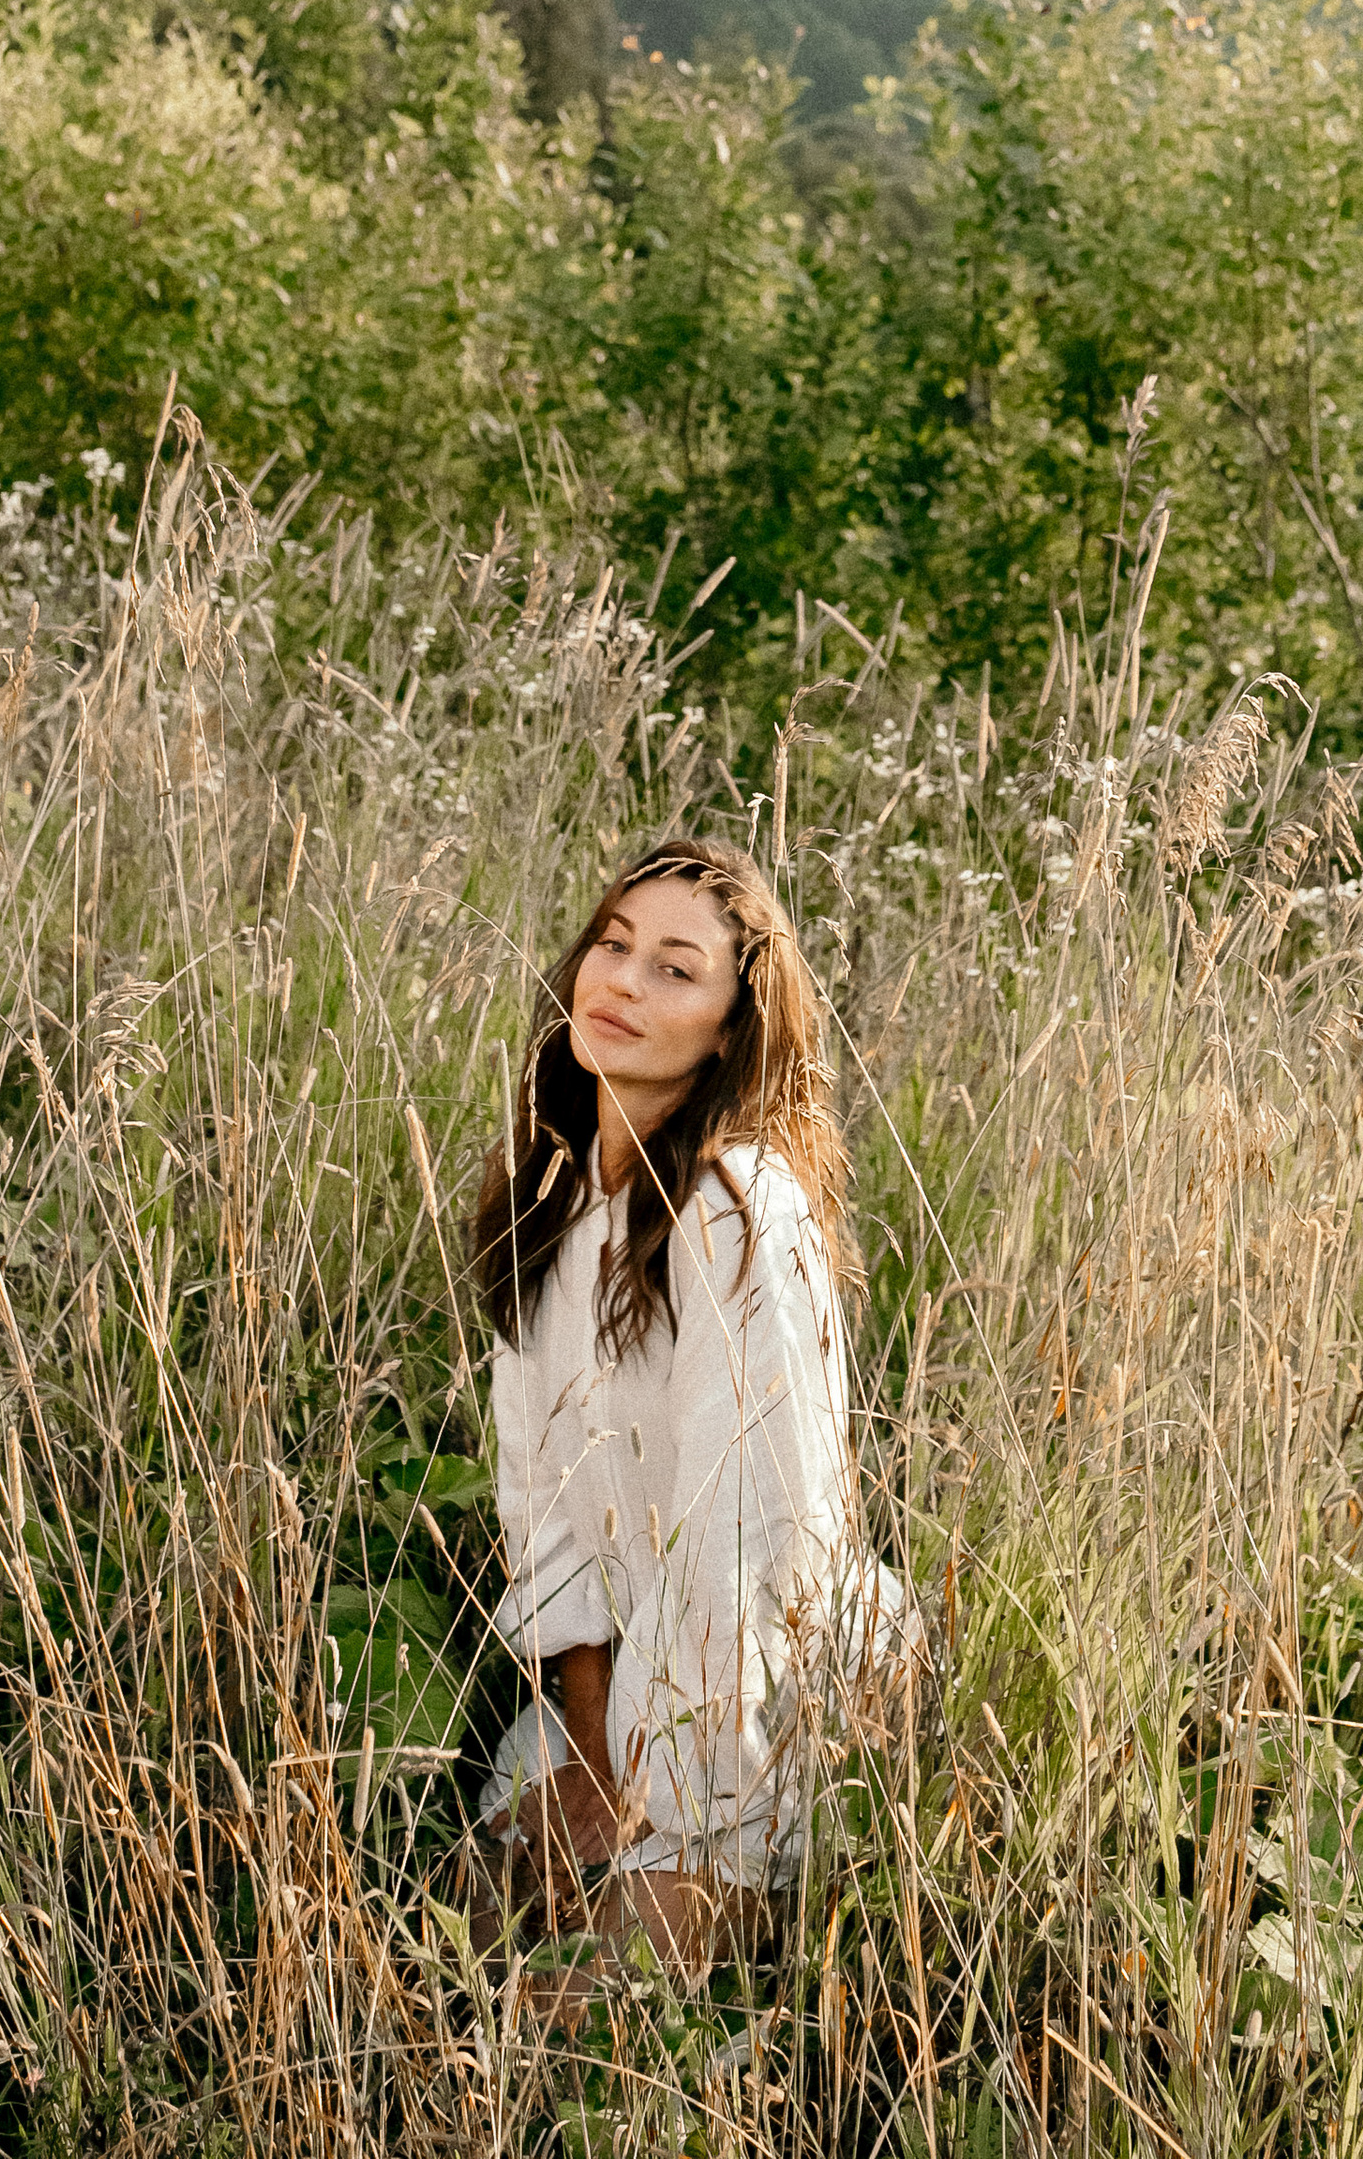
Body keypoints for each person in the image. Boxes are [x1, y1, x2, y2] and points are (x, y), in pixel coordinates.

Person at [470, 836, 868, 1975]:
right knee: (450, 1954)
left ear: (731, 1029)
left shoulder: (741, 1213)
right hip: (611, 1699)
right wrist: (590, 1753)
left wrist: (656, 1791)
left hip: (753, 1705)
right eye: (614, 944)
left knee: (596, 2030)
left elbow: (756, 1552)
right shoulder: (551, 1198)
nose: (625, 983)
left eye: (675, 969)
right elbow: (545, 1516)